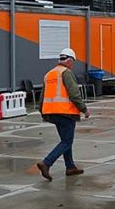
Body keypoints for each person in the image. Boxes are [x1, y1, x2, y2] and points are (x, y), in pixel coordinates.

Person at [36, 47, 90, 181]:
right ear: (69, 60)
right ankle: (46, 163)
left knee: (65, 140)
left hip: (52, 113)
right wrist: (84, 109)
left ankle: (70, 167)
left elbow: (42, 96)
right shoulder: (66, 72)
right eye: (73, 62)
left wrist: (42, 111)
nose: (73, 65)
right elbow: (74, 93)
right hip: (65, 112)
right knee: (67, 141)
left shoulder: (49, 74)